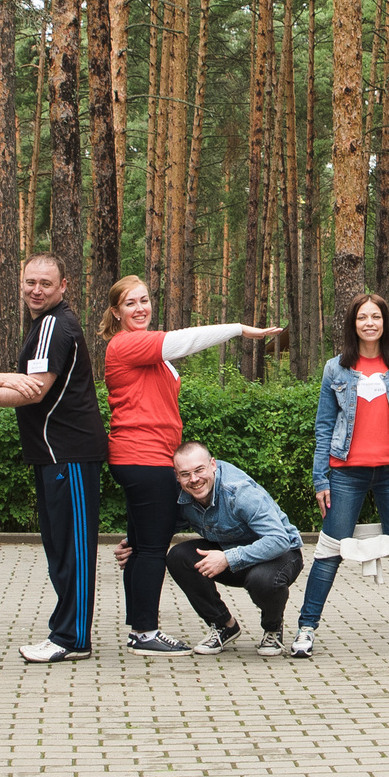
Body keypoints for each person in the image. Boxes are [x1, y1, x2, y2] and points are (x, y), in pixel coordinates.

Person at [96, 275, 286, 655]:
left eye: (144, 300)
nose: (140, 309)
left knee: (139, 546)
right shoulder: (127, 343)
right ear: (116, 312)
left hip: (145, 457)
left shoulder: (144, 350)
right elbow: (185, 340)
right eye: (129, 303)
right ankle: (146, 633)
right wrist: (239, 330)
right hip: (143, 456)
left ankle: (139, 627)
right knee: (152, 549)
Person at [0, 255, 115, 666]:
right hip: (54, 456)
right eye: (30, 281)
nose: (36, 290)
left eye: (46, 283)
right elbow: (23, 380)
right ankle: (66, 632)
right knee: (60, 549)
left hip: (70, 455)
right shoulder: (45, 325)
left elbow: (33, 391)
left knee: (73, 551)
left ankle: (73, 638)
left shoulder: (55, 324)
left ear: (64, 286)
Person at [296, 292, 389, 657]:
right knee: (329, 551)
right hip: (345, 474)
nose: (369, 323)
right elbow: (324, 426)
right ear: (353, 323)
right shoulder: (336, 369)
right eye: (362, 317)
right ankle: (305, 629)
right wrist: (321, 479)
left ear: (385, 323)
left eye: (375, 317)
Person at [123, 443, 306, 656]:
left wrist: (228, 558)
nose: (194, 479)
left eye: (199, 470)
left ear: (212, 465)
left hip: (280, 554)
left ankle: (273, 628)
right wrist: (133, 544)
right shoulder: (183, 494)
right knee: (179, 557)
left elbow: (278, 540)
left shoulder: (239, 491)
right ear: (177, 476)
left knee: (263, 580)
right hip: (228, 551)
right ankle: (224, 625)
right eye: (185, 474)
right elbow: (164, 526)